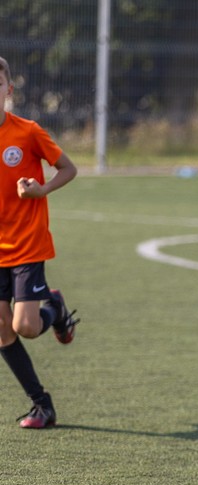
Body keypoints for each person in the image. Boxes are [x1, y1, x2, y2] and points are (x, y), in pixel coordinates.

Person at [0, 56, 79, 429]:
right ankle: (42, 405)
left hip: (27, 244)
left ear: (9, 90)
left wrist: (40, 190)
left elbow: (68, 167)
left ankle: (55, 309)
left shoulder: (27, 131)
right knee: (2, 331)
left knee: (27, 328)